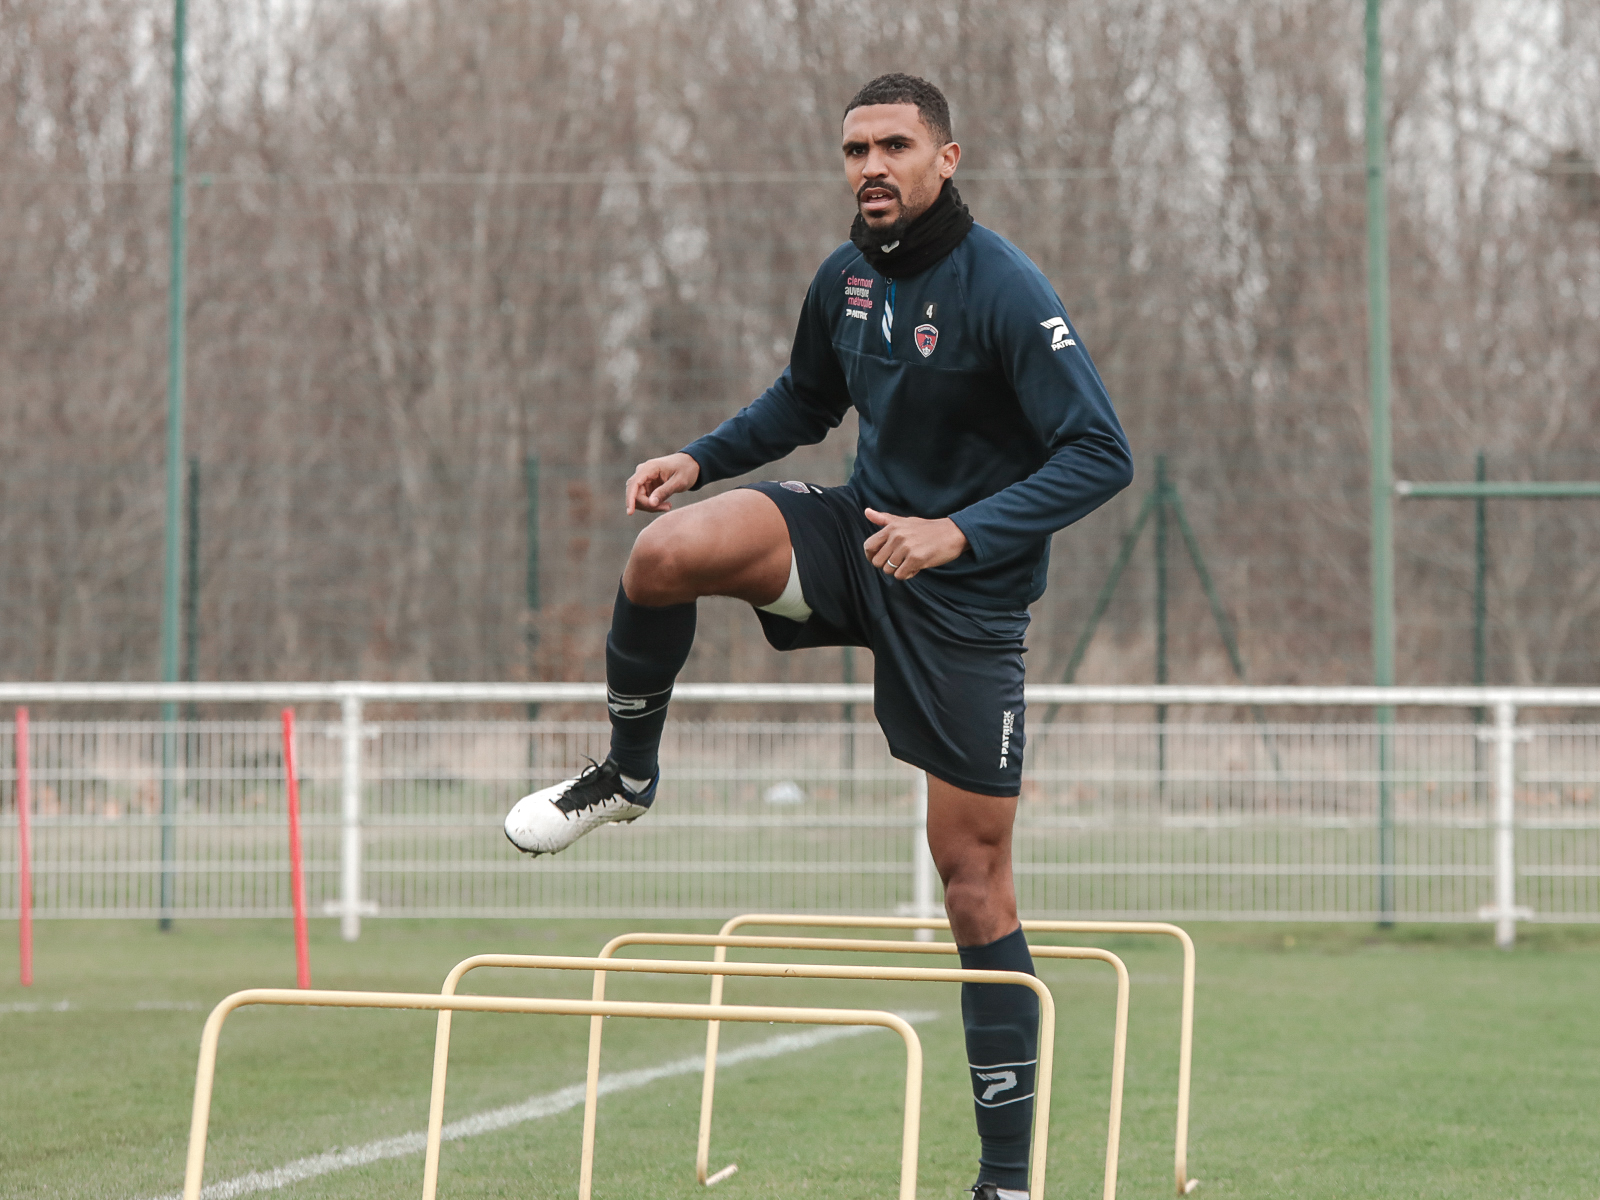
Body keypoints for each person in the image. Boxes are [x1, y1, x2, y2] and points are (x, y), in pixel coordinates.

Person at [505, 73, 1132, 1200]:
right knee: (663, 555)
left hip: (965, 595)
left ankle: (1006, 1180)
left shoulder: (1002, 287)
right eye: (854, 150)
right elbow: (804, 402)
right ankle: (628, 776)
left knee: (972, 882)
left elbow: (1100, 453)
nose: (871, 167)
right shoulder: (844, 279)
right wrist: (699, 457)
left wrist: (960, 533)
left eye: (894, 145)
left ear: (948, 157)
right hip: (858, 537)